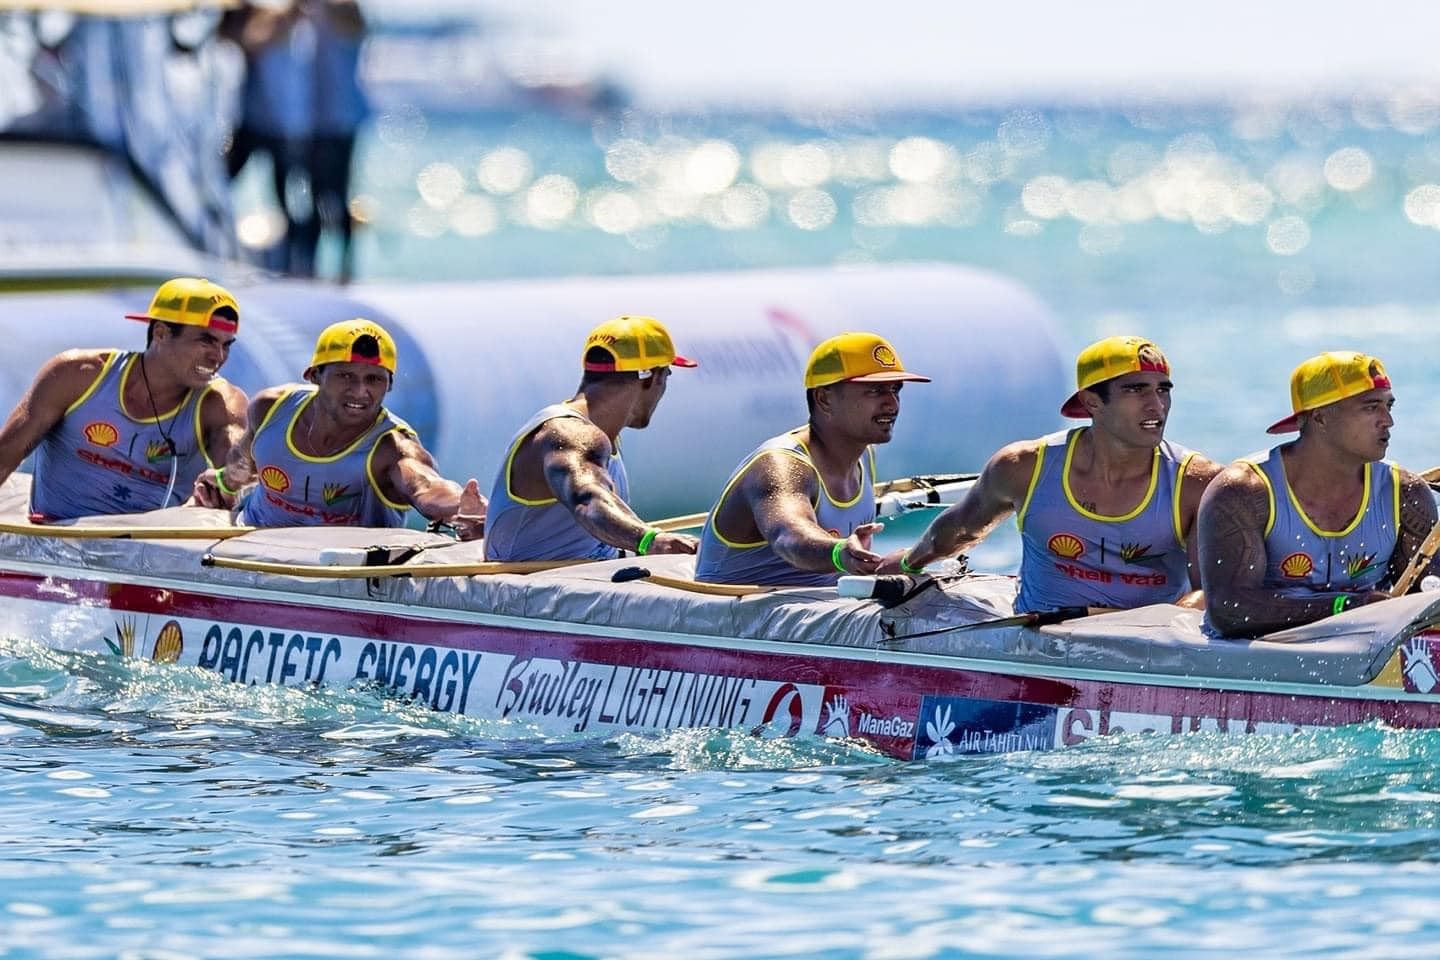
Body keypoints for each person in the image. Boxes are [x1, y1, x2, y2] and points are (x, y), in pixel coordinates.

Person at [892, 336, 1220, 610]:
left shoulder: (1196, 483)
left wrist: (1165, 624)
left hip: (1147, 651)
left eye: (1163, 389)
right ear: (1092, 401)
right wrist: (909, 563)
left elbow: (1214, 593)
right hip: (1038, 642)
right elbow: (959, 531)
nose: (1157, 405)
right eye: (1136, 390)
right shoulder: (1024, 466)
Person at [1198, 351, 1437, 638]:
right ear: (1320, 417)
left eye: (1389, 406)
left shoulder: (1406, 494)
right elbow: (1231, 611)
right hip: (1266, 651)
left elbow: (1427, 602)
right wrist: (1349, 606)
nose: (1388, 421)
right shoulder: (1242, 492)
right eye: (1371, 407)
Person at [194, 318, 484, 535]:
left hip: (333, 573)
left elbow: (425, 486)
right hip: (253, 546)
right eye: (345, 376)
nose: (360, 392)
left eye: (374, 379)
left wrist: (463, 505)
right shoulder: (271, 408)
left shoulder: (391, 448)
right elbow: (242, 465)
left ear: (390, 385)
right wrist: (221, 483)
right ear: (314, 375)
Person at [0, 277, 248, 521]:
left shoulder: (219, 402)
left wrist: (229, 480)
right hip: (53, 543)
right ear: (160, 333)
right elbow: (6, 453)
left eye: (226, 345)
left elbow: (238, 457)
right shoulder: (76, 374)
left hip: (142, 555)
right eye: (206, 340)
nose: (219, 356)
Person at [695, 332, 930, 586]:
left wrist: (879, 566)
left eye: (895, 389)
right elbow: (789, 536)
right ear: (824, 398)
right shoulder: (779, 465)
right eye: (874, 391)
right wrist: (840, 553)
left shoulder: (864, 453)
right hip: (735, 612)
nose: (892, 404)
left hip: (816, 606)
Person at [484, 315, 698, 562]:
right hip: (542, 593)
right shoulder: (573, 435)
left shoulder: (600, 434)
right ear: (653, 378)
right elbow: (589, 501)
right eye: (667, 374)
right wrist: (650, 540)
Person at [302, 0, 368, 283]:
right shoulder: (317, 14)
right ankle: (311, 265)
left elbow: (350, 19)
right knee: (315, 195)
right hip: (314, 119)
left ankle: (345, 267)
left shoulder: (347, 14)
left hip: (340, 121)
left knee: (337, 194)